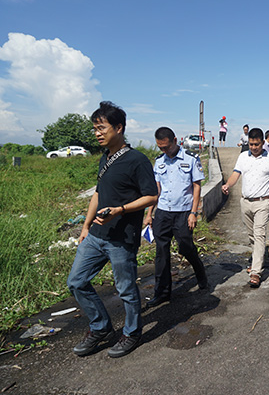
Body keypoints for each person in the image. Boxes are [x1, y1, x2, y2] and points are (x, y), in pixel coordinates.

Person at [67, 101, 158, 358]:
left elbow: (151, 197)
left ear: (118, 128)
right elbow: (98, 193)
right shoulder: (105, 158)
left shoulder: (137, 160)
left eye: (101, 128)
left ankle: (131, 333)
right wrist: (85, 226)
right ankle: (101, 328)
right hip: (96, 236)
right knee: (76, 282)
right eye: (95, 128)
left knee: (126, 289)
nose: (97, 133)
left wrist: (120, 210)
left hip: (121, 238)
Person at [143, 127, 208, 308]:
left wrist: (194, 213)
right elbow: (156, 190)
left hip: (183, 212)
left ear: (174, 140)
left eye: (166, 147)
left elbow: (196, 187)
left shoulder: (190, 159)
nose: (164, 151)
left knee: (186, 247)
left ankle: (200, 272)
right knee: (161, 253)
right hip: (163, 212)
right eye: (160, 148)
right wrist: (149, 214)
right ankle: (162, 293)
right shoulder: (159, 162)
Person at [222, 128, 269, 287]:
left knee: (260, 234)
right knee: (252, 236)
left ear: (263, 142)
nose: (254, 147)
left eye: (257, 144)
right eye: (251, 144)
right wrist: (227, 184)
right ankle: (257, 258)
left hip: (263, 202)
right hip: (245, 202)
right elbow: (236, 174)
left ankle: (256, 272)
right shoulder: (243, 157)